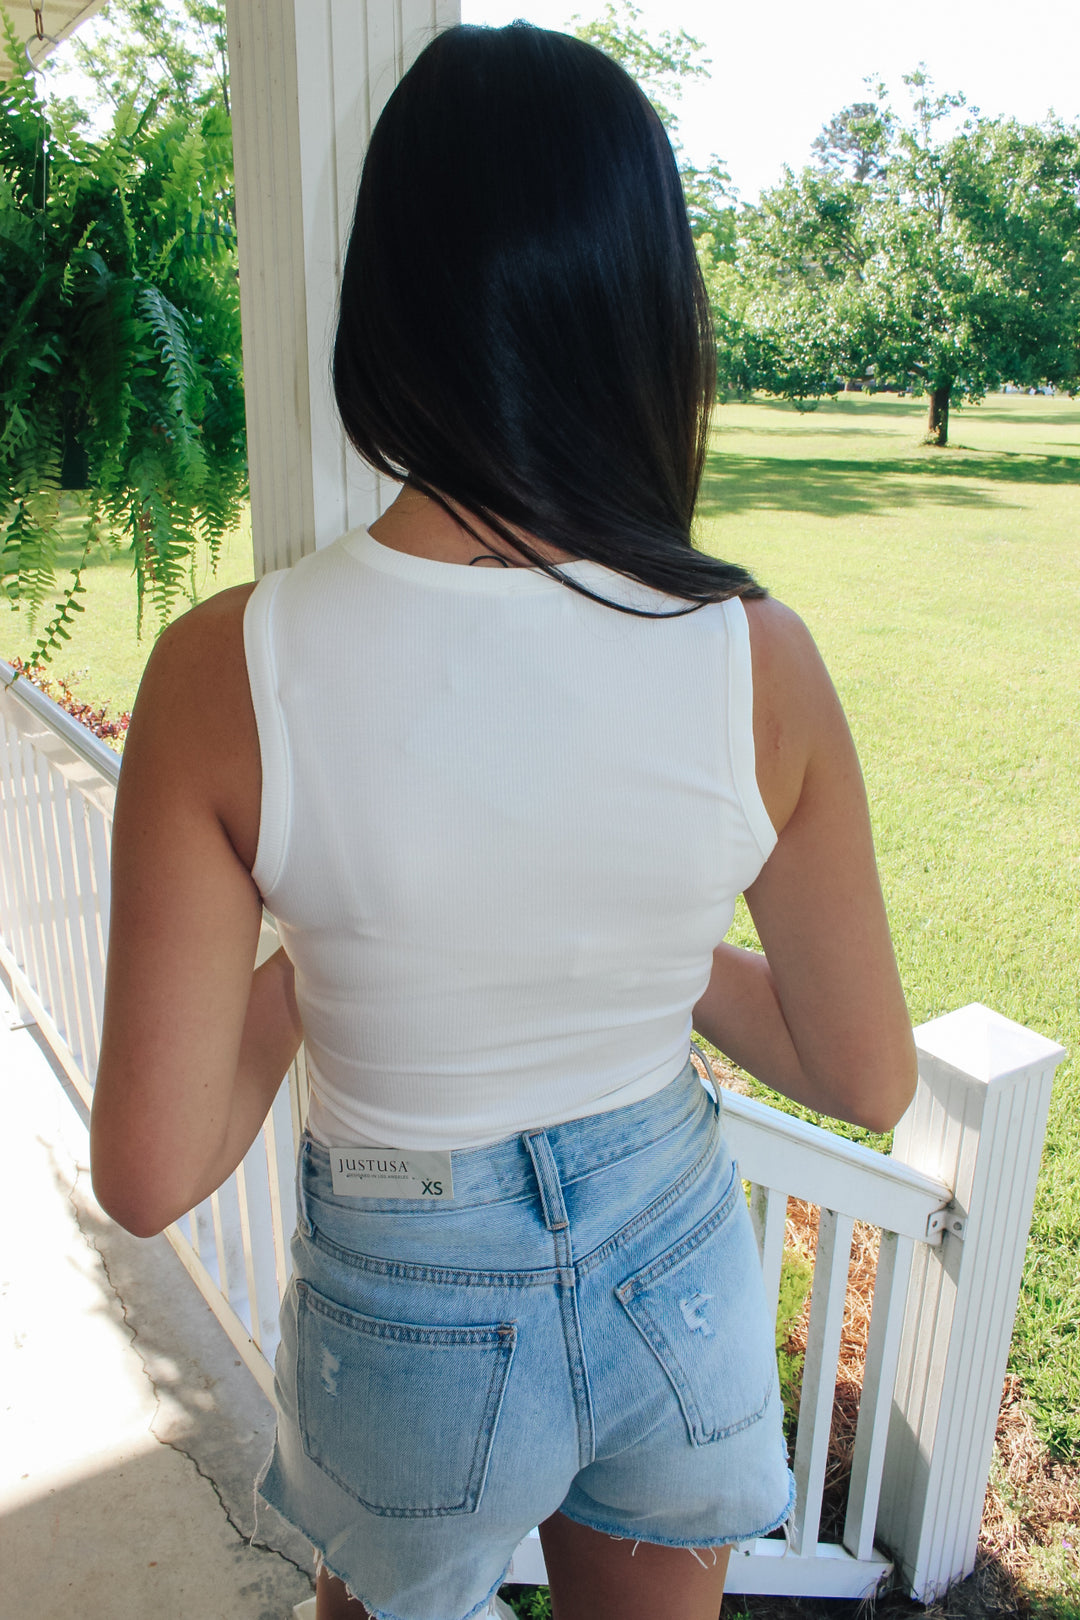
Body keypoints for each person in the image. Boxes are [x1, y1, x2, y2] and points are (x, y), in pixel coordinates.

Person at [89, 22, 917, 1620]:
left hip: (411, 1312)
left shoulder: (224, 672)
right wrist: (639, 950)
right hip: (675, 1271)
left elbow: (150, 1167)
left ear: (388, 302)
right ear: (649, 311)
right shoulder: (759, 655)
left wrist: (333, 971)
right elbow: (863, 1072)